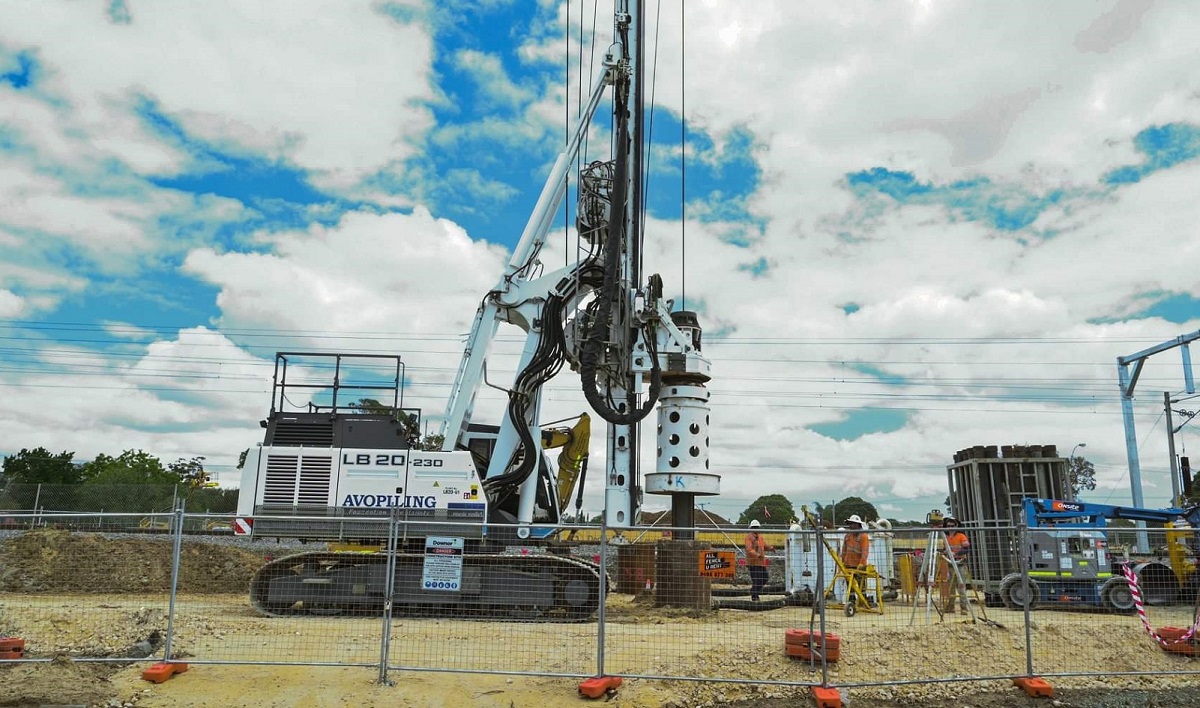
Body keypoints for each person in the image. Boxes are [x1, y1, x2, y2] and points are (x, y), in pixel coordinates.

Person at [939, 516, 971, 614]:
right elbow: (945, 548)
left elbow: (967, 549)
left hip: (959, 563)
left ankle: (964, 608)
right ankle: (950, 607)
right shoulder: (946, 537)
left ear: (956, 526)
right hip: (950, 563)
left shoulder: (961, 536)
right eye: (948, 525)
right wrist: (945, 552)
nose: (950, 527)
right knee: (951, 587)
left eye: (952, 525)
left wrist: (956, 554)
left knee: (961, 586)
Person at [744, 519, 772, 601]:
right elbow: (749, 549)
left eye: (757, 527)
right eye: (754, 527)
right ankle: (755, 596)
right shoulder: (748, 537)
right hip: (753, 563)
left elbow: (763, 546)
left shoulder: (760, 537)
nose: (756, 528)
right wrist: (757, 555)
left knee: (764, 578)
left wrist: (770, 548)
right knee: (757, 579)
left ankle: (754, 592)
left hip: (760, 562)